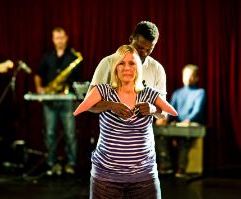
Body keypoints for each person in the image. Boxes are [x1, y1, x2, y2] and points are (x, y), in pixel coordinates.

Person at [74, 45, 177, 199]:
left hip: (144, 178)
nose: (126, 68)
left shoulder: (149, 93)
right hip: (106, 178)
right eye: (121, 63)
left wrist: (152, 109)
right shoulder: (104, 90)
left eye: (132, 63)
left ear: (138, 67)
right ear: (115, 67)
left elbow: (169, 112)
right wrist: (110, 105)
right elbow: (84, 107)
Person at [87, 21, 167, 120]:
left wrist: (153, 109)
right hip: (112, 134)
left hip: (142, 134)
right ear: (131, 38)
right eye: (140, 47)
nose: (144, 53)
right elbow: (89, 104)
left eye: (149, 49)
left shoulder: (157, 69)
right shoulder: (108, 62)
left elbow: (164, 113)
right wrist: (112, 105)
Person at [34, 27, 81, 176]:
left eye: (61, 37)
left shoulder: (74, 57)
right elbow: (38, 74)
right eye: (56, 38)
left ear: (66, 38)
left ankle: (71, 164)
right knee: (49, 133)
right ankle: (51, 164)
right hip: (50, 101)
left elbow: (79, 80)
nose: (59, 41)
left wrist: (67, 89)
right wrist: (39, 88)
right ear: (53, 39)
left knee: (70, 133)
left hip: (68, 101)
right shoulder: (48, 56)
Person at [155, 64, 206, 177]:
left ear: (196, 78)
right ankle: (166, 165)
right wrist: (164, 119)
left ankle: (181, 168)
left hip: (192, 124)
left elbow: (197, 111)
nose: (188, 78)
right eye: (186, 75)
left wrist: (188, 120)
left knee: (184, 138)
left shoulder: (200, 92)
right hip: (178, 125)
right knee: (160, 134)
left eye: (191, 76)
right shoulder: (177, 93)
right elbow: (170, 110)